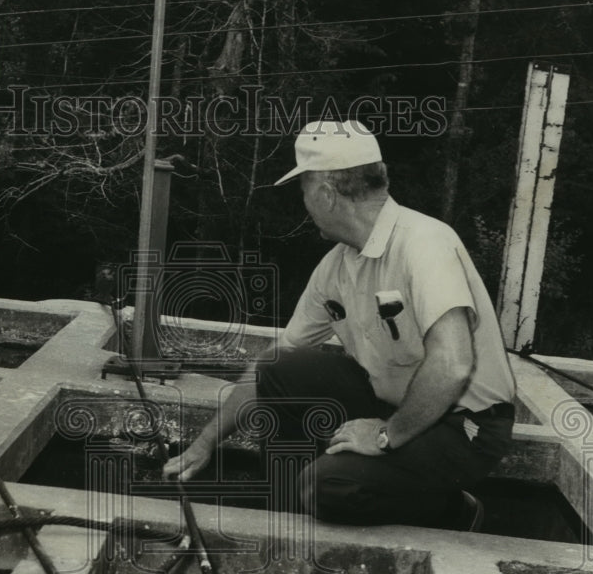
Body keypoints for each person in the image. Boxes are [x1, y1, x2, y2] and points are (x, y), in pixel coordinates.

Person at [162, 119, 516, 531]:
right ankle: (286, 522)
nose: (304, 201)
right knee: (280, 370)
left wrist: (386, 436)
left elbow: (453, 364)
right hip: (397, 405)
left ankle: (455, 511)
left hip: (465, 424)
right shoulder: (336, 267)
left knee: (329, 486)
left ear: (326, 194)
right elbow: (274, 364)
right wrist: (206, 442)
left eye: (304, 189)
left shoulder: (424, 243)